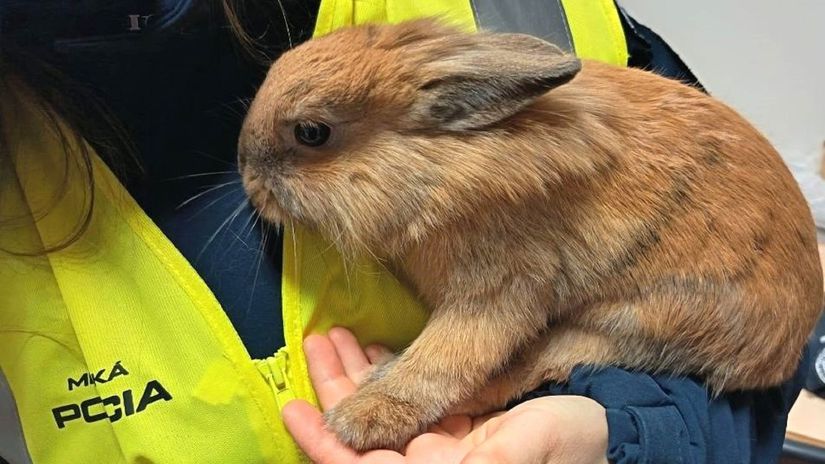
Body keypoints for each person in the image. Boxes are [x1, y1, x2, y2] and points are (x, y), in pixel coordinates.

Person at [0, 1, 818, 462]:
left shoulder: (510, 86)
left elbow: (747, 389)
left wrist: (622, 433)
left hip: (698, 309)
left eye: (311, 140)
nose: (255, 185)